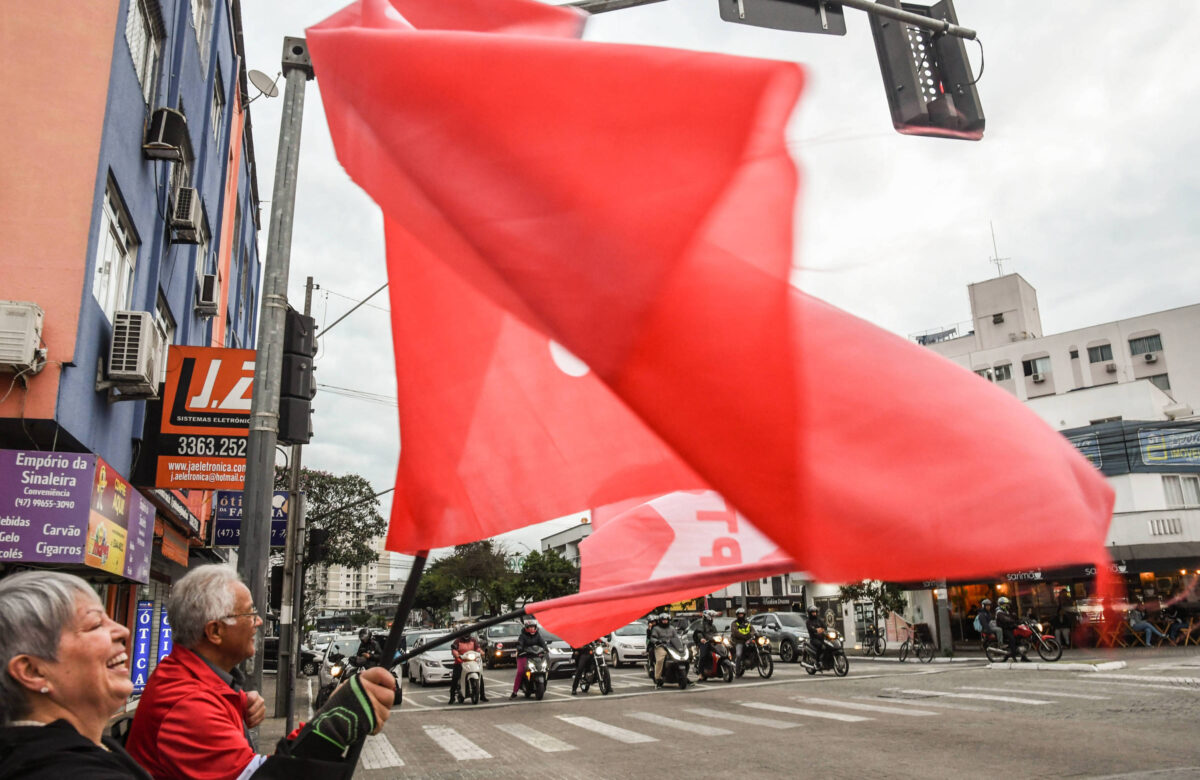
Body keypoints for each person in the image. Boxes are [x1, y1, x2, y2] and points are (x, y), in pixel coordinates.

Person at [127, 564, 396, 779]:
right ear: (215, 631)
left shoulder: (191, 679)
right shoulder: (188, 707)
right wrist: (340, 716)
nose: (258, 622)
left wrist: (235, 704)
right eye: (249, 614)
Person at [0, 570, 151, 779]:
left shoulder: (91, 746)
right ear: (33, 671)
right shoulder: (64, 770)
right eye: (95, 624)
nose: (123, 630)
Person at [511, 618, 548, 699]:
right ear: (526, 628)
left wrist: (545, 648)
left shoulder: (538, 635)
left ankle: (543, 685)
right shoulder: (522, 636)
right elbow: (520, 643)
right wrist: (520, 647)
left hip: (535, 655)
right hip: (524, 655)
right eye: (530, 627)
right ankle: (514, 691)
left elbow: (542, 643)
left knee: (544, 668)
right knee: (520, 672)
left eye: (533, 627)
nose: (532, 628)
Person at [448, 633, 487, 704]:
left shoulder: (473, 640)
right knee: (455, 678)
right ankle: (452, 697)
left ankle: (482, 696)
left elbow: (477, 648)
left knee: (480, 677)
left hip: (472, 661)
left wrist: (480, 652)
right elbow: (454, 649)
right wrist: (456, 654)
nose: (466, 635)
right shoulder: (457, 641)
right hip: (460, 662)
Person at [648, 613, 680, 688]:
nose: (665, 621)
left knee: (680, 658)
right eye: (663, 620)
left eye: (666, 620)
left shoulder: (672, 628)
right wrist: (657, 641)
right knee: (660, 659)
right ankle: (658, 678)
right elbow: (652, 638)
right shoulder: (656, 628)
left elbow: (676, 637)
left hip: (672, 646)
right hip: (661, 646)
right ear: (660, 620)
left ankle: (683, 676)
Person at [994, 596, 1029, 662]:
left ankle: (1023, 657)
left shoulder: (1006, 611)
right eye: (1005, 604)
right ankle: (1013, 655)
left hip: (1011, 627)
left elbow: (1013, 617)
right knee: (1012, 639)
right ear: (1001, 604)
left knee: (1020, 639)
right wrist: (1012, 621)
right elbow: (1005, 619)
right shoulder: (999, 612)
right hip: (1005, 629)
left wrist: (1020, 620)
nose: (1007, 605)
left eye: (1007, 603)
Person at [692, 609, 720, 681]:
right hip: (705, 642)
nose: (713, 618)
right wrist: (701, 639)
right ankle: (700, 673)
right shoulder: (702, 624)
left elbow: (716, 633)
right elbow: (699, 633)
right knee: (703, 656)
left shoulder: (712, 625)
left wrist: (720, 637)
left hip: (713, 641)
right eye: (712, 616)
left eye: (713, 616)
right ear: (707, 616)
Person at [730, 607, 752, 672]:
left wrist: (753, 634)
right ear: (737, 615)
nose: (741, 615)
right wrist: (744, 636)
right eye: (740, 614)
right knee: (739, 655)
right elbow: (736, 632)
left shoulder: (747, 622)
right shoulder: (734, 623)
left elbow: (752, 629)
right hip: (739, 641)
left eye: (742, 614)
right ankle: (737, 671)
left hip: (747, 640)